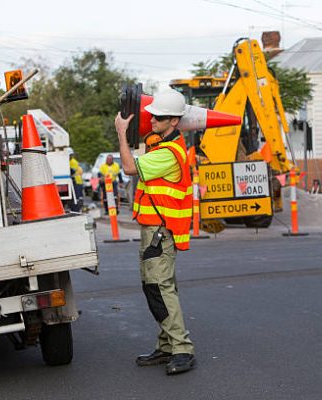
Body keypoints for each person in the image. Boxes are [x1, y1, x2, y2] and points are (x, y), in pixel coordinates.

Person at [115, 88, 196, 375]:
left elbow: (128, 167)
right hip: (157, 231)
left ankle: (182, 348)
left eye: (159, 117)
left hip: (159, 233)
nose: (152, 120)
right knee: (160, 287)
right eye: (152, 114)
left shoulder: (168, 154)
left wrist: (121, 133)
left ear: (174, 121)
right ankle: (166, 345)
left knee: (159, 289)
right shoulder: (164, 146)